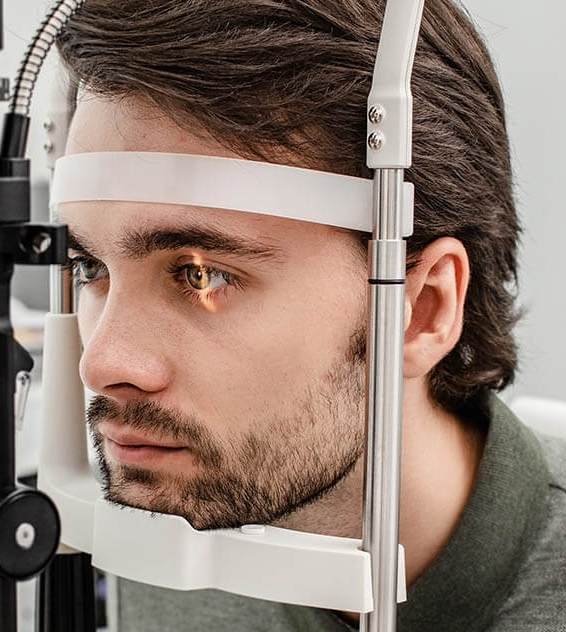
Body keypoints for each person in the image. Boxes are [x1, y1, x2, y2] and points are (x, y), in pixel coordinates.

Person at [53, 0, 566, 629]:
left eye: (202, 276)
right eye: (89, 268)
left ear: (422, 309)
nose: (102, 363)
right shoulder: (175, 533)